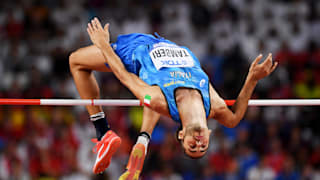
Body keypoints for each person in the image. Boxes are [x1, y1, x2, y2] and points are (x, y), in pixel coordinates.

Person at [69, 17, 277, 178]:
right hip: (170, 46)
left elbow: (125, 76)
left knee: (76, 61)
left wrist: (103, 45)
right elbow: (236, 117)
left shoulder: (160, 101)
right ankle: (139, 139)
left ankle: (103, 132)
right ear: (209, 134)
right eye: (202, 146)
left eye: (191, 146)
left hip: (137, 51)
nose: (198, 143)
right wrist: (252, 79)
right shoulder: (215, 106)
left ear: (181, 136)